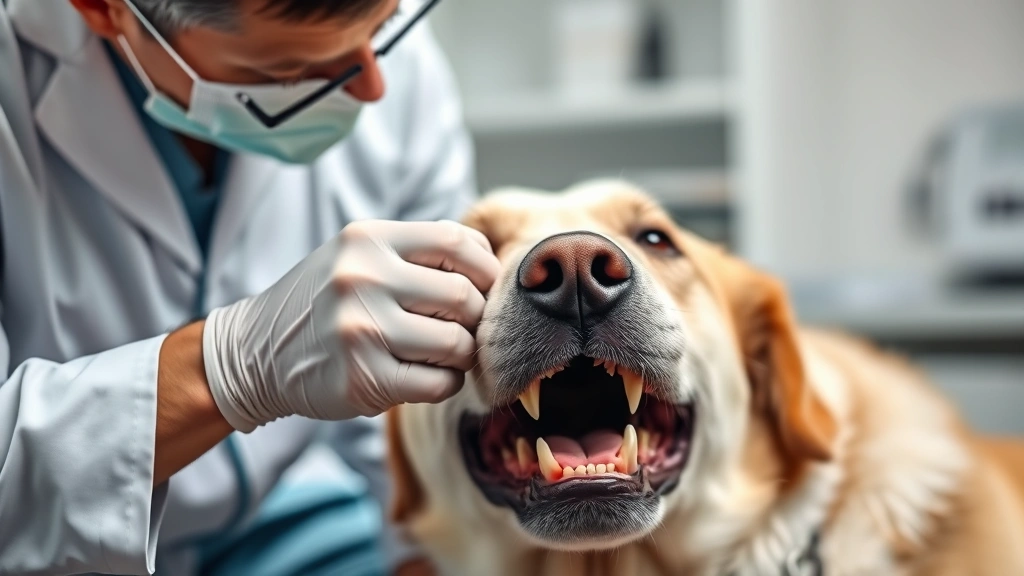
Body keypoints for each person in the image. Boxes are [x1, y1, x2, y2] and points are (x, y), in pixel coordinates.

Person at [0, 0, 499, 574]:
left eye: (382, 30)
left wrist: (425, 549)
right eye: (285, 74)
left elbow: (413, 441)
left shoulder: (372, 42)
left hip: (298, 517)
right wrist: (232, 367)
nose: (373, 87)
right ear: (103, 9)